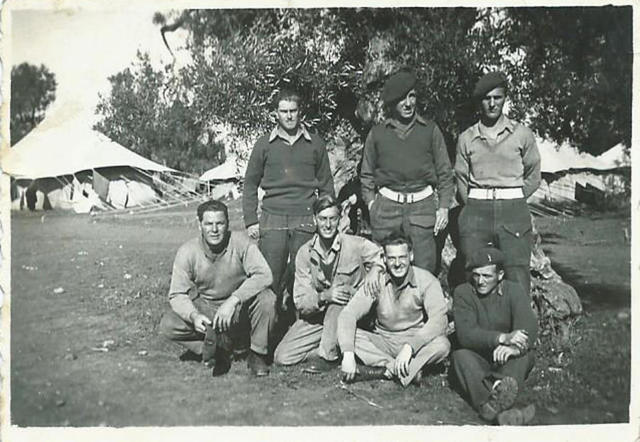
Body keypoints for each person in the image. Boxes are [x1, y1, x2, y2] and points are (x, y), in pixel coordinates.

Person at [243, 88, 335, 324]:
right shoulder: (264, 144)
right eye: (284, 111)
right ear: (276, 114)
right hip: (272, 218)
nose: (289, 116)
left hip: (305, 218)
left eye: (293, 111)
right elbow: (250, 184)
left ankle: (299, 328)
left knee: (302, 275)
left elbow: (326, 185)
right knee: (269, 276)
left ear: (300, 112)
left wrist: (326, 219)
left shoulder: (315, 143)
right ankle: (266, 331)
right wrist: (251, 221)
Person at [159, 200, 276, 377]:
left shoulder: (241, 242)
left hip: (239, 308)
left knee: (268, 299)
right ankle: (211, 348)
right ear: (200, 225)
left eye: (220, 223)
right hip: (208, 309)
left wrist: (234, 300)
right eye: (209, 224)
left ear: (227, 223)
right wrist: (194, 315)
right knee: (168, 324)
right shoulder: (187, 251)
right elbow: (177, 294)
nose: (214, 230)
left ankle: (257, 353)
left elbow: (265, 275)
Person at [273, 195, 384, 371]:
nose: (327, 225)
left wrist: (376, 269)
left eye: (332, 219)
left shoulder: (355, 244)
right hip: (318, 315)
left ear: (339, 220)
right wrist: (324, 295)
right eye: (323, 219)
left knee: (338, 300)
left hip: (350, 312)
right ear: (314, 219)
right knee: (283, 357)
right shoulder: (305, 253)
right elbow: (301, 301)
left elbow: (383, 255)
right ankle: (331, 347)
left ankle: (328, 357)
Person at [360, 69, 455, 274]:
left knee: (424, 270)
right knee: (382, 269)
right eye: (402, 98)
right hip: (386, 210)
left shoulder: (430, 131)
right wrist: (371, 205)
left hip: (422, 209)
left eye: (412, 96)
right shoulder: (377, 134)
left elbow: (445, 173)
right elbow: (366, 174)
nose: (408, 103)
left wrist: (444, 207)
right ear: (392, 102)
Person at [454, 71, 541, 295]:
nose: (492, 104)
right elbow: (461, 179)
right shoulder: (467, 138)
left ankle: (521, 327)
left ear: (505, 99)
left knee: (517, 272)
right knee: (474, 271)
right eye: (486, 98)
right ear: (479, 101)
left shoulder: (522, 134)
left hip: (513, 211)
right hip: (476, 211)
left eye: (498, 97)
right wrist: (473, 205)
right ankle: (475, 328)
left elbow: (534, 174)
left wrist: (515, 198)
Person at [338, 232, 450, 387]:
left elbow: (439, 319)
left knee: (442, 345)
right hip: (384, 341)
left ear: (410, 256)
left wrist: (410, 346)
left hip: (415, 342)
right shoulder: (376, 280)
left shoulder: (426, 280)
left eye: (402, 257)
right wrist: (348, 354)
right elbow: (348, 314)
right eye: (392, 258)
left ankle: (390, 370)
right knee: (349, 337)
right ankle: (401, 370)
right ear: (384, 259)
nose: (397, 264)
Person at [451, 246, 537, 425]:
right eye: (476, 275)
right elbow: (466, 335)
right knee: (460, 356)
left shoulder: (514, 291)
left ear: (500, 275)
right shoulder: (463, 293)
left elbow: (528, 327)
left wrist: (513, 348)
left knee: (523, 356)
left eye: (487, 276)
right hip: (480, 356)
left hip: (508, 357)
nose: (480, 281)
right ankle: (499, 403)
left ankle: (491, 404)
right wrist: (502, 338)